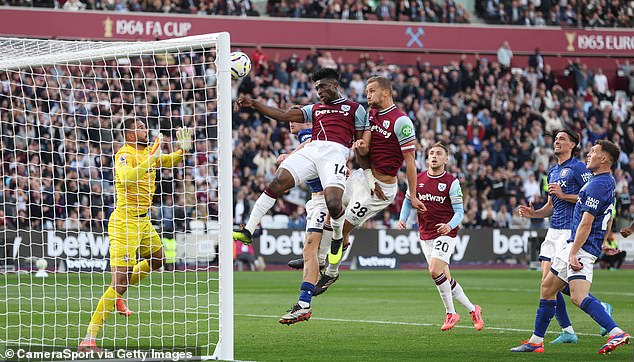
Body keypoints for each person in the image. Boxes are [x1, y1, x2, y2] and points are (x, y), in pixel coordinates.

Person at [233, 68, 367, 323]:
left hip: (336, 152)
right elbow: (283, 114)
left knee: (333, 202)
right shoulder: (315, 109)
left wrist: (362, 160)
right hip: (315, 151)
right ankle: (248, 229)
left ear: (335, 85)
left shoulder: (354, 109)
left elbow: (363, 142)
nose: (319, 92)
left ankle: (337, 240)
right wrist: (255, 104)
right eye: (316, 88)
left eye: (322, 87)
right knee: (276, 183)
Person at [79, 120, 193, 351]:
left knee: (158, 259)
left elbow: (170, 161)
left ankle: (117, 292)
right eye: (140, 127)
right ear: (130, 134)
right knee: (119, 282)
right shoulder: (125, 154)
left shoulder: (148, 152)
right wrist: (151, 158)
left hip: (144, 221)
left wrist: (183, 149)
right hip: (124, 222)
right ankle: (89, 338)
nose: (145, 130)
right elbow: (127, 177)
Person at [309, 76, 425, 296]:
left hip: (381, 189)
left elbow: (410, 161)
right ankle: (320, 259)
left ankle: (331, 272)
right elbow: (364, 150)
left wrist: (413, 194)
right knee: (331, 213)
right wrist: (360, 147)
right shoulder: (369, 115)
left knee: (341, 227)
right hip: (364, 177)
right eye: (367, 91)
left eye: (371, 91)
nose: (367, 95)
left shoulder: (401, 121)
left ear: (385, 93)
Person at [511, 140, 630, 355]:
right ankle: (536, 341)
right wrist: (601, 240)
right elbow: (608, 215)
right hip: (580, 245)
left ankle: (616, 332)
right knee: (548, 288)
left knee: (578, 296)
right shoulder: (605, 182)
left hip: (580, 247)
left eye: (593, 152)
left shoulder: (596, 184)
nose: (589, 154)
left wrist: (574, 251)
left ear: (604, 158)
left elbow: (586, 222)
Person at [517, 130, 596, 344]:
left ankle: (594, 305)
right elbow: (551, 206)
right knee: (547, 284)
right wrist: (534, 214)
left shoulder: (579, 168)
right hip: (553, 231)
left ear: (573, 144)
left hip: (570, 231)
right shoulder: (552, 172)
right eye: (556, 139)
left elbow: (589, 196)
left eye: (562, 139)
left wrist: (564, 195)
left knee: (553, 285)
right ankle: (568, 330)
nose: (557, 142)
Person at [397, 142, 484, 332]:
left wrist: (449, 225)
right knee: (444, 278)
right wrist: (402, 219)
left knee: (434, 270)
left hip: (445, 233)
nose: (434, 156)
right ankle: (473, 309)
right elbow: (407, 201)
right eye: (431, 153)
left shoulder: (451, 182)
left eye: (438, 153)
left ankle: (451, 313)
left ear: (445, 159)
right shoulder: (417, 179)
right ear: (427, 159)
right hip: (425, 234)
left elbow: (460, 212)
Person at [278, 122, 334, 325]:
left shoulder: (307, 133)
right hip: (315, 201)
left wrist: (289, 157)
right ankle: (318, 269)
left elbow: (310, 142)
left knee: (311, 247)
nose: (291, 122)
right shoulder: (311, 136)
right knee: (310, 250)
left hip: (325, 200)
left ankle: (306, 302)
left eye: (296, 117)